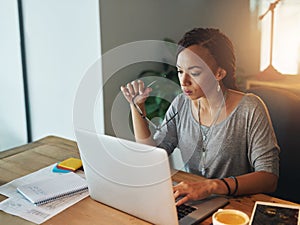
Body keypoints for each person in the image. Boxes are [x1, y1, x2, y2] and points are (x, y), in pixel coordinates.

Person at [120, 28, 279, 206]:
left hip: (236, 205)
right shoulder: (180, 104)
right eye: (180, 71)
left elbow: (268, 178)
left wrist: (211, 186)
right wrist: (136, 108)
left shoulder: (249, 108)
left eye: (194, 73)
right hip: (193, 202)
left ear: (219, 73)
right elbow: (150, 157)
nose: (184, 81)